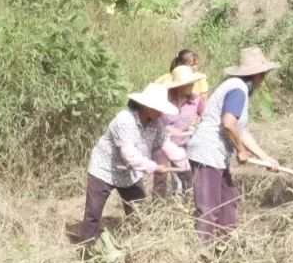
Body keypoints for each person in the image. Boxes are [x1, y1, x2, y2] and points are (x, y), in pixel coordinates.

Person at [185, 47, 281, 244]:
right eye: (263, 76)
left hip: (216, 155)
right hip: (207, 152)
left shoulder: (236, 88)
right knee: (209, 208)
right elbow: (228, 123)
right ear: (257, 75)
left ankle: (225, 245)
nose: (263, 81)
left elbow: (241, 130)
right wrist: (240, 150)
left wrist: (265, 158)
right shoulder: (238, 89)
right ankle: (202, 254)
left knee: (227, 201)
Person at [81, 83, 188, 244]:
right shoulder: (125, 120)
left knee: (139, 214)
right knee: (93, 215)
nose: (161, 112)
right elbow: (129, 156)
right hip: (104, 170)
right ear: (145, 106)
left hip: (130, 174)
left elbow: (168, 146)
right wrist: (154, 167)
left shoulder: (156, 125)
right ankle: (88, 249)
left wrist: (186, 164)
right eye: (157, 108)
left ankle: (137, 244)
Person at [153, 65, 207, 198]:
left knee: (188, 174)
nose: (193, 86)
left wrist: (199, 123)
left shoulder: (196, 100)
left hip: (182, 143)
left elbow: (206, 115)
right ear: (180, 86)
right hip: (162, 143)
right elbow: (153, 119)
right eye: (189, 84)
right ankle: (156, 207)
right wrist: (166, 128)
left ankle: (188, 203)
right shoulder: (164, 98)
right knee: (161, 177)